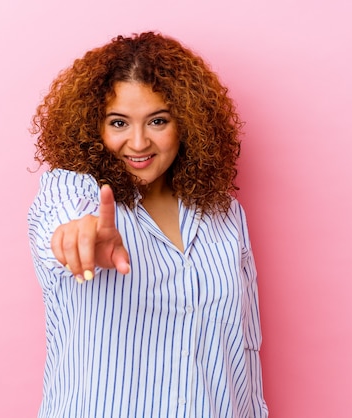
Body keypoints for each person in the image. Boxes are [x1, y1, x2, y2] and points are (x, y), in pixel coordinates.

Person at [27, 31, 268, 417]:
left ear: (187, 123)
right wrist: (77, 237)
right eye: (118, 123)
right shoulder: (75, 190)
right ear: (94, 127)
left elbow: (244, 350)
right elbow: (58, 224)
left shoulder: (226, 214)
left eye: (157, 121)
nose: (138, 143)